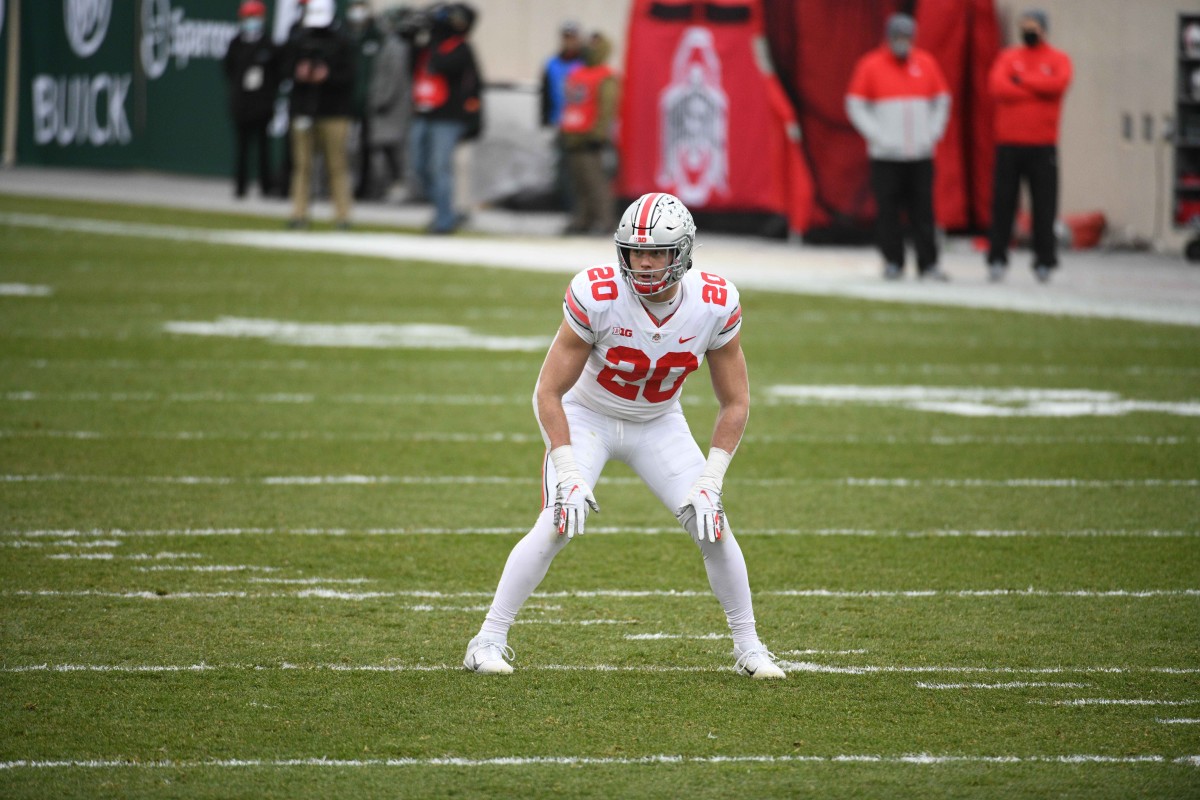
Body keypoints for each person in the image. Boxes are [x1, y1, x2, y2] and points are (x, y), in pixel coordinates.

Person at [463, 192, 786, 680]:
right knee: (557, 519)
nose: (646, 263)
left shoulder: (714, 303)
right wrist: (567, 469)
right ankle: (485, 641)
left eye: (657, 252)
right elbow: (548, 392)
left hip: (659, 422)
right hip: (586, 415)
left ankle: (750, 647)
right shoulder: (598, 293)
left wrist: (711, 479)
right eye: (636, 252)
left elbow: (735, 402)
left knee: (712, 524)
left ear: (683, 253)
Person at [846, 13, 951, 281]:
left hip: (920, 153)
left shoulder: (925, 63)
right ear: (889, 37)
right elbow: (855, 104)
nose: (902, 42)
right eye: (897, 37)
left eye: (906, 37)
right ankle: (893, 261)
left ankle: (928, 264)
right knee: (888, 211)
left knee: (923, 210)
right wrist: (877, 135)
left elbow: (941, 100)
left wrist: (932, 132)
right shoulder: (871, 65)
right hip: (886, 155)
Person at [985, 9, 1073, 283]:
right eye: (1025, 27)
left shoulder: (1057, 59)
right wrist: (1037, 88)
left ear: (1044, 29)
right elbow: (998, 88)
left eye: (1033, 27)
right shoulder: (1008, 57)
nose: (1028, 32)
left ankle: (1044, 261)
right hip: (1009, 145)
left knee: (1044, 207)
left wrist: (1022, 81)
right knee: (1003, 205)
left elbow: (1057, 85)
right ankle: (997, 259)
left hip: (1042, 145)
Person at [408, 3, 482, 234]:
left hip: (447, 117)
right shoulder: (429, 47)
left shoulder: (459, 48)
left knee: (440, 168)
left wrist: (474, 119)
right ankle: (446, 209)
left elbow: (446, 67)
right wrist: (414, 38)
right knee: (418, 166)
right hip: (423, 112)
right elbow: (411, 67)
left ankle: (444, 220)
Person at [283, 0, 356, 229]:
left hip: (334, 112)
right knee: (302, 166)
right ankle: (299, 214)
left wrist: (328, 75)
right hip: (304, 108)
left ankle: (343, 216)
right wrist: (299, 73)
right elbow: (283, 70)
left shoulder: (342, 41)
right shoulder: (297, 39)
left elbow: (351, 77)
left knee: (336, 166)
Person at [560, 32, 619, 235]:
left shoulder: (606, 76)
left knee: (595, 182)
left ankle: (604, 220)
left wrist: (599, 134)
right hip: (572, 133)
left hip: (590, 136)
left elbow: (607, 108)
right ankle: (582, 219)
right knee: (578, 183)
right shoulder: (577, 73)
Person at [222, 0, 280, 199]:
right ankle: (240, 186)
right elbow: (229, 70)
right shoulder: (236, 43)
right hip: (242, 103)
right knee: (242, 147)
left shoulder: (269, 44)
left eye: (254, 17)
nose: (251, 21)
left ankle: (266, 186)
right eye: (248, 17)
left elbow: (277, 74)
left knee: (264, 147)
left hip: (262, 104)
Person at [365, 7, 413, 201]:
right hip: (387, 109)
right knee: (385, 150)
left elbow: (393, 79)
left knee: (395, 151)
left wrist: (379, 100)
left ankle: (399, 187)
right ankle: (389, 187)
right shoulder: (387, 45)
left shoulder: (396, 47)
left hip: (391, 110)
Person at [540, 21, 585, 211]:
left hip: (581, 125)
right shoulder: (552, 63)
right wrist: (544, 120)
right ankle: (566, 207)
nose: (569, 42)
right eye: (566, 37)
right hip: (560, 122)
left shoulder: (584, 63)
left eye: (572, 38)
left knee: (581, 170)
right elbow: (545, 93)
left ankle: (579, 209)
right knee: (562, 168)